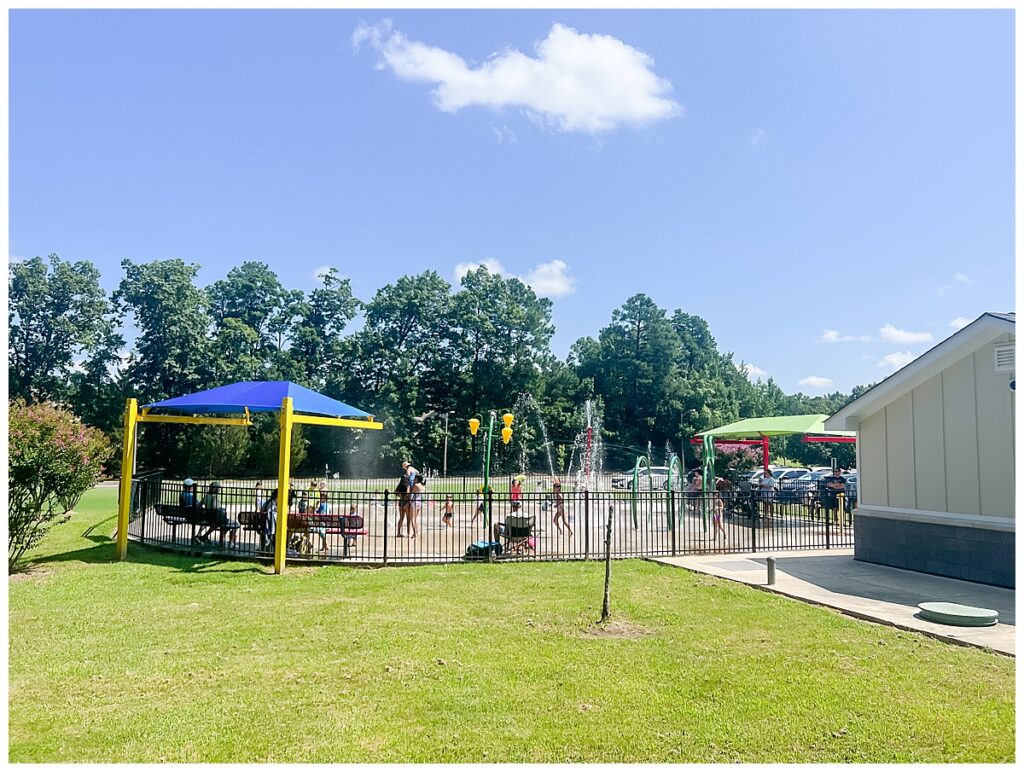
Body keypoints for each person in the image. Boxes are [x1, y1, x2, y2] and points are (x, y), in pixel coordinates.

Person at [198, 482, 239, 547]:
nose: (219, 490)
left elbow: (199, 505)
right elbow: (214, 508)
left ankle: (206, 536)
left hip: (210, 518)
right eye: (218, 488)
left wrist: (205, 510)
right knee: (236, 524)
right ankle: (231, 542)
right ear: (215, 489)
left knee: (219, 525)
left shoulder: (206, 496)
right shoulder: (214, 496)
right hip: (217, 519)